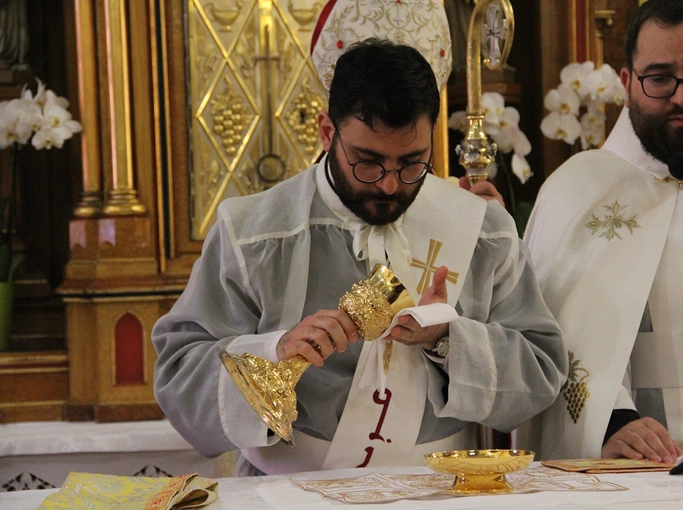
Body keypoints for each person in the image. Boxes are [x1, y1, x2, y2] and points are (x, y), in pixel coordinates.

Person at [152, 37, 567, 476]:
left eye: (412, 163)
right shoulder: (253, 231)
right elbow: (179, 375)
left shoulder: (483, 232)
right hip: (289, 492)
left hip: (439, 492)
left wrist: (447, 340)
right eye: (368, 162)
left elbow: (541, 372)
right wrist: (275, 352)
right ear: (327, 132)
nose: (390, 185)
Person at [519, 0, 683, 463]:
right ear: (627, 83)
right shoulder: (578, 189)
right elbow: (550, 337)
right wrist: (609, 422)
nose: (681, 96)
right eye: (659, 78)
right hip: (645, 469)